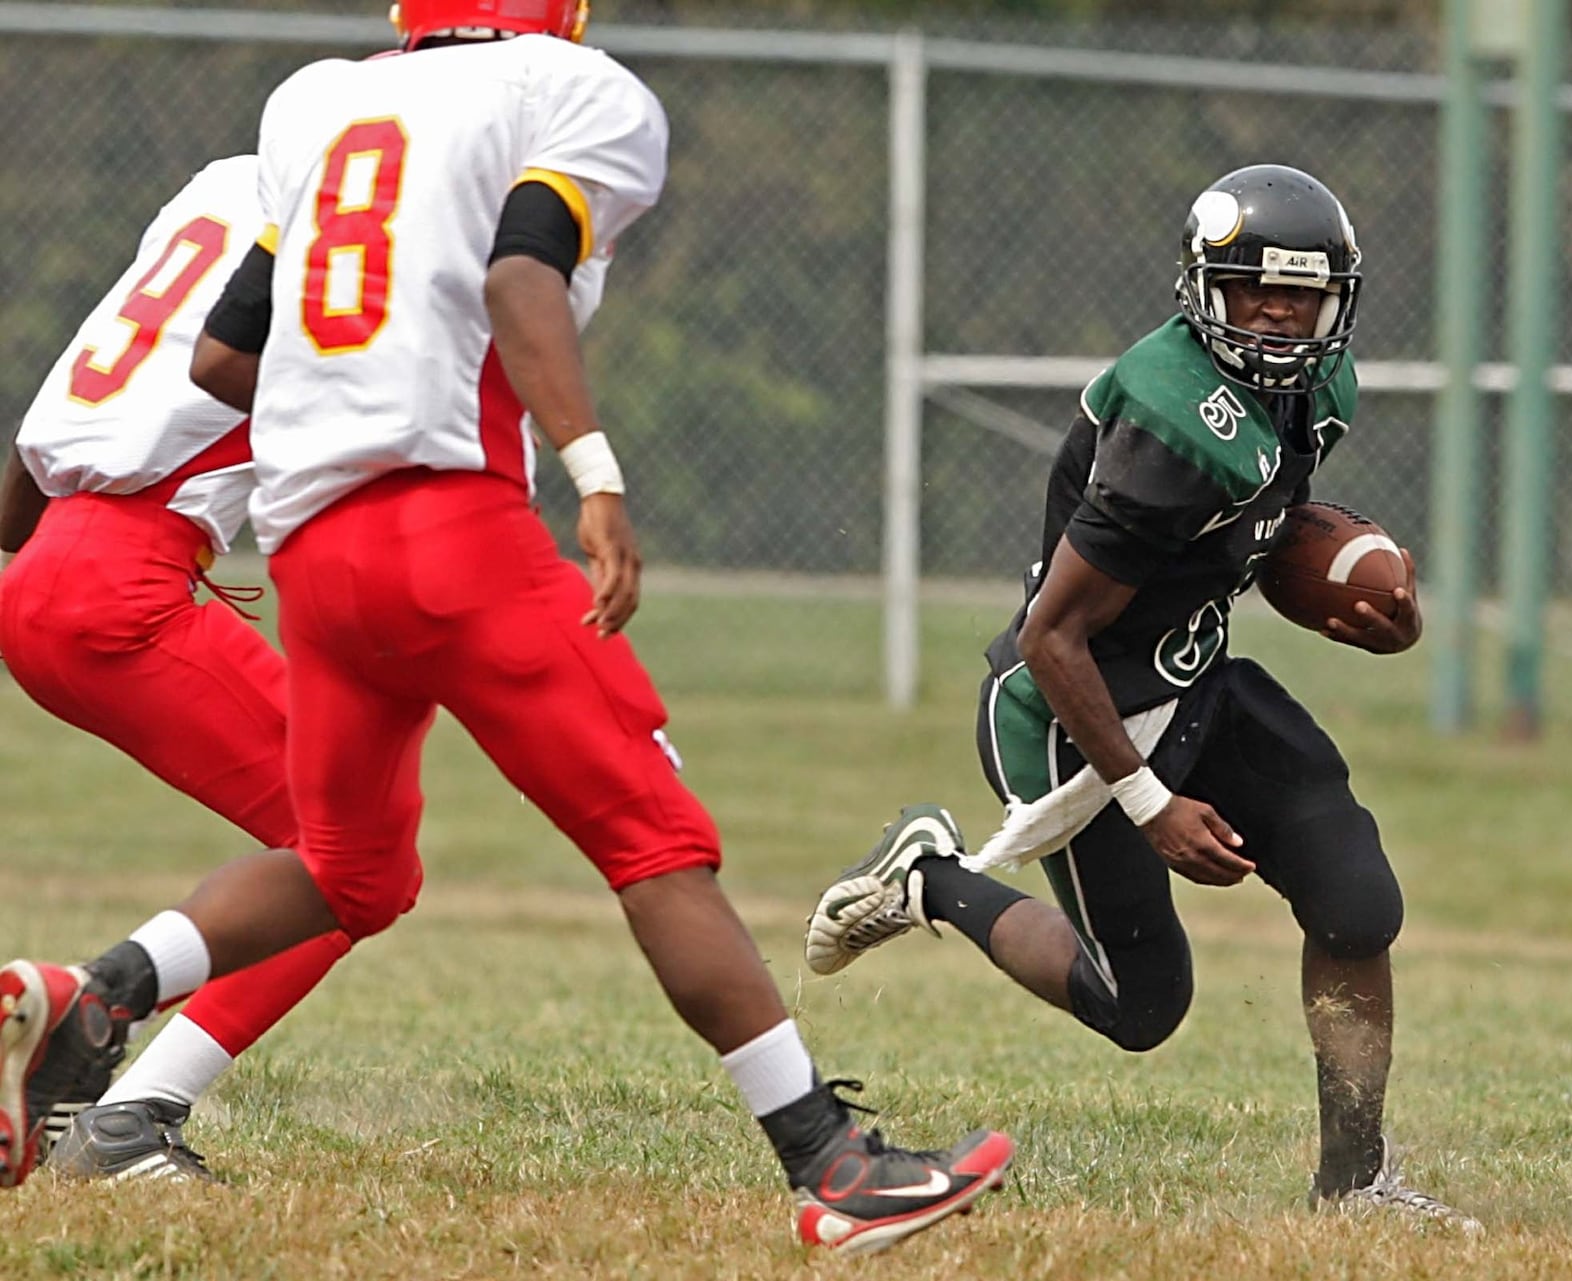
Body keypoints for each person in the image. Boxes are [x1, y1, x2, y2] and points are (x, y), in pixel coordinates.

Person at [0, 0, 1013, 1254]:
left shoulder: (314, 103)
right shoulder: (579, 91)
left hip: (315, 552)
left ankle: (95, 1001)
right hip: (448, 528)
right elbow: (520, 269)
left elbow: (223, 358)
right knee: (654, 839)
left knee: (348, 867)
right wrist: (594, 471)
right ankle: (834, 1164)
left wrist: (340, 396)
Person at [805, 164, 1480, 1230]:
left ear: (1334, 303)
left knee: (1357, 905)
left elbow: (1247, 537)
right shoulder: (1171, 425)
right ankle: (932, 879)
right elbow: (1053, 635)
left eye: (1299, 295)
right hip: (1074, 715)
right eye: (1253, 288)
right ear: (1203, 289)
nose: (1276, 312)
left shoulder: (1320, 389)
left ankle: (1352, 1183)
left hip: (1191, 675)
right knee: (1141, 1007)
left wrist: (1376, 606)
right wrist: (1149, 804)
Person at [0, 155, 356, 1181]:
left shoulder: (225, 185)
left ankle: (106, 1088)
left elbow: (42, 438)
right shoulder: (364, 219)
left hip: (47, 571)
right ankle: (123, 1100)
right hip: (123, 583)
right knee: (358, 856)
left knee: (338, 848)